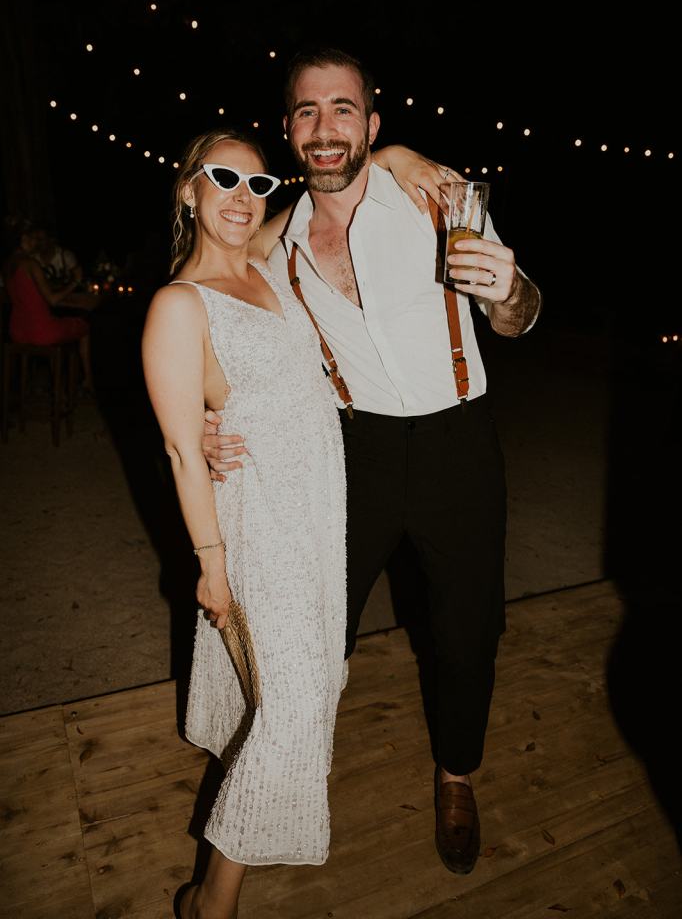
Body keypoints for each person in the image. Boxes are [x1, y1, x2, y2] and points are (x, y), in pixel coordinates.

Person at [203, 48, 542, 876]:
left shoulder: (436, 199)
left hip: (458, 439)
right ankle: (286, 759)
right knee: (317, 623)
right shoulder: (275, 247)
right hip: (352, 449)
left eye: (344, 109)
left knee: (467, 630)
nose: (325, 127)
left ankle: (456, 773)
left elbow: (522, 314)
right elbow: (212, 320)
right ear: (289, 130)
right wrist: (206, 417)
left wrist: (507, 294)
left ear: (373, 124)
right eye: (308, 110)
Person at [142, 129, 349, 919]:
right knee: (294, 711)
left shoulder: (263, 264)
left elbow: (322, 195)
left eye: (257, 185)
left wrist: (393, 157)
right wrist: (211, 562)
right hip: (258, 522)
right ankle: (211, 902)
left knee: (312, 681)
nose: (242, 197)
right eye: (223, 178)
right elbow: (180, 449)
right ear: (188, 189)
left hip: (318, 512)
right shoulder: (178, 304)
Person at [4, 221, 94, 393]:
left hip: (17, 331)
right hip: (41, 331)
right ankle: (87, 380)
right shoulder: (31, 264)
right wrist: (75, 281)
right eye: (34, 239)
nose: (37, 243)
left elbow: (29, 297)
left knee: (59, 324)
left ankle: (49, 383)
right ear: (23, 239)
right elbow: (52, 300)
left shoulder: (8, 264)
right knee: (84, 327)